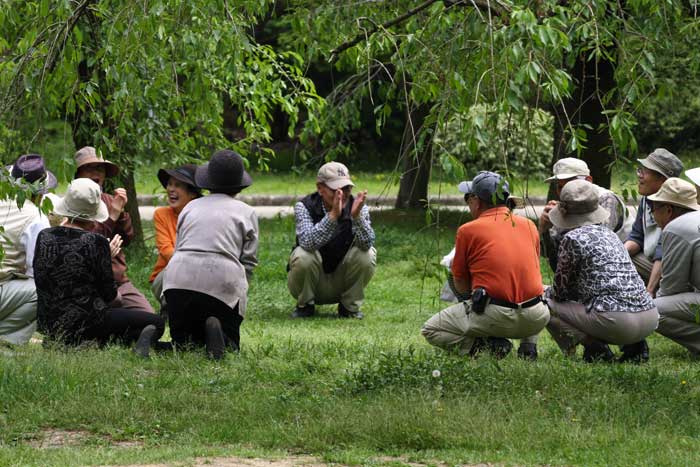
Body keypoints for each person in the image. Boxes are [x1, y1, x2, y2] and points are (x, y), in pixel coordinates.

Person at [421, 171, 550, 360]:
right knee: (530, 286)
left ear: (476, 200)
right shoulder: (529, 225)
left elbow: (462, 284)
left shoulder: (468, 230)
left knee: (431, 328)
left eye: (468, 197)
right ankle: (528, 347)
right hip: (537, 318)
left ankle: (486, 346)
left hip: (496, 318)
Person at [33, 178, 164, 357]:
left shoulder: (44, 236)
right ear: (94, 213)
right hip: (88, 323)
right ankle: (95, 341)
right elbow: (111, 297)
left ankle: (66, 342)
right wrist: (104, 259)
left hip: (49, 323)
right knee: (156, 322)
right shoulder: (97, 242)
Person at [545, 180, 658, 363]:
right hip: (650, 316)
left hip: (618, 321)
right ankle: (634, 346)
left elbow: (559, 293)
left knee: (543, 302)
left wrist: (542, 289)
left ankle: (594, 349)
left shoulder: (572, 238)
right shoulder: (611, 235)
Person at [163, 150, 258, 359]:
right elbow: (248, 262)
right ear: (239, 185)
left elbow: (179, 248)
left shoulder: (190, 207)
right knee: (231, 345)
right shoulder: (246, 212)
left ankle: (155, 341)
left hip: (177, 281)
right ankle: (221, 336)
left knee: (183, 344)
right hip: (222, 283)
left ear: (208, 181)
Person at [287, 161, 376, 319]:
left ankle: (349, 307)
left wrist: (356, 218)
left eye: (347, 188)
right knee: (302, 255)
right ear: (320, 188)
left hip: (341, 281)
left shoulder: (358, 206)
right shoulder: (304, 207)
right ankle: (305, 305)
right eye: (336, 189)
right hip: (311, 282)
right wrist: (333, 216)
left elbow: (367, 243)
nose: (342, 194)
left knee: (367, 254)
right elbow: (307, 242)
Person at [73, 146, 153, 313]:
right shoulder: (70, 205)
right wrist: (113, 215)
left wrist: (121, 213)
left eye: (100, 168)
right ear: (78, 174)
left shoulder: (110, 200)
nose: (96, 173)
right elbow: (88, 244)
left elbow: (128, 238)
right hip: (88, 282)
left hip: (118, 280)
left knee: (149, 317)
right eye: (89, 168)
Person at [0, 154, 56, 345]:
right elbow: (37, 271)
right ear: (40, 191)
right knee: (41, 288)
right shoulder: (35, 217)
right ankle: (7, 338)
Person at [539, 157, 631, 272]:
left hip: (623, 258)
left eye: (570, 184)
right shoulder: (565, 203)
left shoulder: (606, 199)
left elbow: (598, 246)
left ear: (588, 181)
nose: (564, 191)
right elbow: (554, 256)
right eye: (559, 186)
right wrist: (544, 230)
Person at [647, 178, 700, 358]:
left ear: (668, 210)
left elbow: (672, 287)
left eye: (653, 208)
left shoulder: (676, 228)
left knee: (648, 311)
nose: (653, 215)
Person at [624, 148, 683, 294]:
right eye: (640, 170)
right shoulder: (647, 198)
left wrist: (649, 290)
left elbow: (663, 252)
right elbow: (637, 236)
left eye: (645, 172)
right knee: (620, 257)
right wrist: (614, 254)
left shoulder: (674, 207)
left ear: (663, 180)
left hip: (671, 268)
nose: (639, 176)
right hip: (651, 260)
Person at [149, 164, 201, 308]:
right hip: (166, 275)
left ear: (192, 193)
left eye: (177, 185)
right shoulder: (161, 214)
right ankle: (170, 308)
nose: (171, 189)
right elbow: (166, 251)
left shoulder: (201, 216)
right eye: (170, 184)